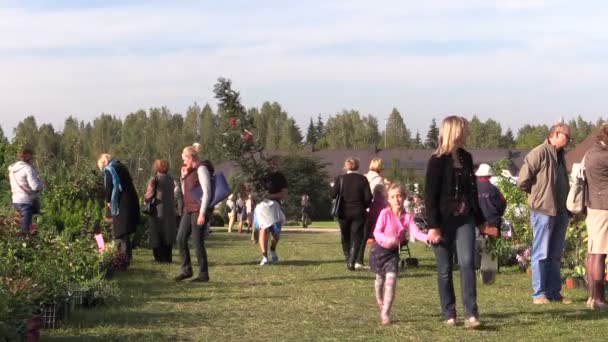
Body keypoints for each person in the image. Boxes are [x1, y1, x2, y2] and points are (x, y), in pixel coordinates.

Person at [424, 115, 486, 329]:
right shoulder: (437, 160)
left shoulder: (467, 158)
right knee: (444, 269)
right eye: (464, 129)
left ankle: (471, 313)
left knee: (468, 263)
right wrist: (433, 225)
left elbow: (472, 192)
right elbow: (429, 195)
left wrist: (480, 221)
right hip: (442, 221)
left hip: (465, 218)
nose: (467, 133)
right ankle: (449, 312)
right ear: (455, 131)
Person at [517, 122, 572, 305]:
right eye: (567, 136)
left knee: (555, 254)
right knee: (541, 253)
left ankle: (554, 292)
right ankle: (539, 294)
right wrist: (538, 197)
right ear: (556, 134)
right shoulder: (539, 152)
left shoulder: (560, 155)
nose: (570, 140)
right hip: (543, 210)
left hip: (560, 211)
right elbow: (522, 180)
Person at [370, 183, 428, 325]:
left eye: (399, 196)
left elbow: (417, 233)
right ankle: (380, 302)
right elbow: (376, 232)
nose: (396, 199)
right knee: (379, 281)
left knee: (391, 281)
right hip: (379, 251)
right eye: (393, 197)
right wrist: (387, 240)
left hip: (393, 255)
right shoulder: (385, 213)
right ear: (388, 200)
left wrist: (429, 238)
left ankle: (385, 313)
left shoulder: (408, 217)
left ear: (404, 198)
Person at [174, 145, 213, 282]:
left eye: (184, 159)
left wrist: (202, 213)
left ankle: (203, 274)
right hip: (188, 209)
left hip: (198, 210)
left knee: (197, 241)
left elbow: (207, 192)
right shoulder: (189, 171)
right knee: (180, 238)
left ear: (190, 158)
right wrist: (183, 177)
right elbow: (184, 193)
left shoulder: (202, 169)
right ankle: (186, 270)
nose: (183, 162)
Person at [582, 124, 608, 310]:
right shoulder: (604, 156)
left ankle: (593, 297)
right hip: (604, 208)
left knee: (593, 253)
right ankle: (599, 299)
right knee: (599, 254)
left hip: (593, 206)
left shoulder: (591, 152)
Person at [332, 157, 372, 271]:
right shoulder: (362, 179)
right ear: (358, 166)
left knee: (345, 236)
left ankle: (348, 259)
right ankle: (352, 262)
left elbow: (332, 194)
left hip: (343, 211)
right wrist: (363, 206)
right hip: (358, 212)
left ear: (346, 166)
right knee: (356, 236)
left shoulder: (340, 179)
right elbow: (368, 197)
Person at [98, 153, 140, 262]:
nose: (103, 170)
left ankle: (123, 258)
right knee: (125, 231)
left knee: (121, 230)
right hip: (131, 199)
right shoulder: (122, 166)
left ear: (104, 163)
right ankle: (127, 257)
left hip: (121, 201)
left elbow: (109, 187)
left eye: (102, 168)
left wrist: (108, 201)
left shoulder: (110, 169)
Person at [144, 159, 176, 263]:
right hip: (170, 209)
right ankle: (168, 257)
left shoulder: (155, 179)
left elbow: (149, 195)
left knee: (156, 233)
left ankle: (159, 257)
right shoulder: (171, 179)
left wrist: (146, 199)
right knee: (168, 233)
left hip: (158, 210)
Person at [254, 171, 288, 265]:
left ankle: (272, 250)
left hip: (275, 207)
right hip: (261, 207)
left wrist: (269, 196)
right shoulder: (259, 175)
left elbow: (284, 194)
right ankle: (264, 257)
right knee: (263, 230)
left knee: (276, 234)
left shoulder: (280, 177)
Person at [8, 146, 44, 235]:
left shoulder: (12, 170)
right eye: (32, 156)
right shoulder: (27, 169)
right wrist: (42, 184)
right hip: (26, 201)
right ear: (28, 157)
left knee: (22, 225)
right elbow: (35, 186)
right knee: (25, 231)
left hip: (16, 201)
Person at [362, 158, 387, 268]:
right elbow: (380, 196)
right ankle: (378, 258)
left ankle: (360, 259)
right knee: (377, 235)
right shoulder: (379, 179)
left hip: (365, 208)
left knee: (365, 236)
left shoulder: (365, 177)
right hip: (376, 208)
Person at [475, 163, 507, 232]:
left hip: (477, 222)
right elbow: (502, 204)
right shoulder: (493, 189)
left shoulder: (473, 188)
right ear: (489, 176)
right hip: (492, 222)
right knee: (494, 242)